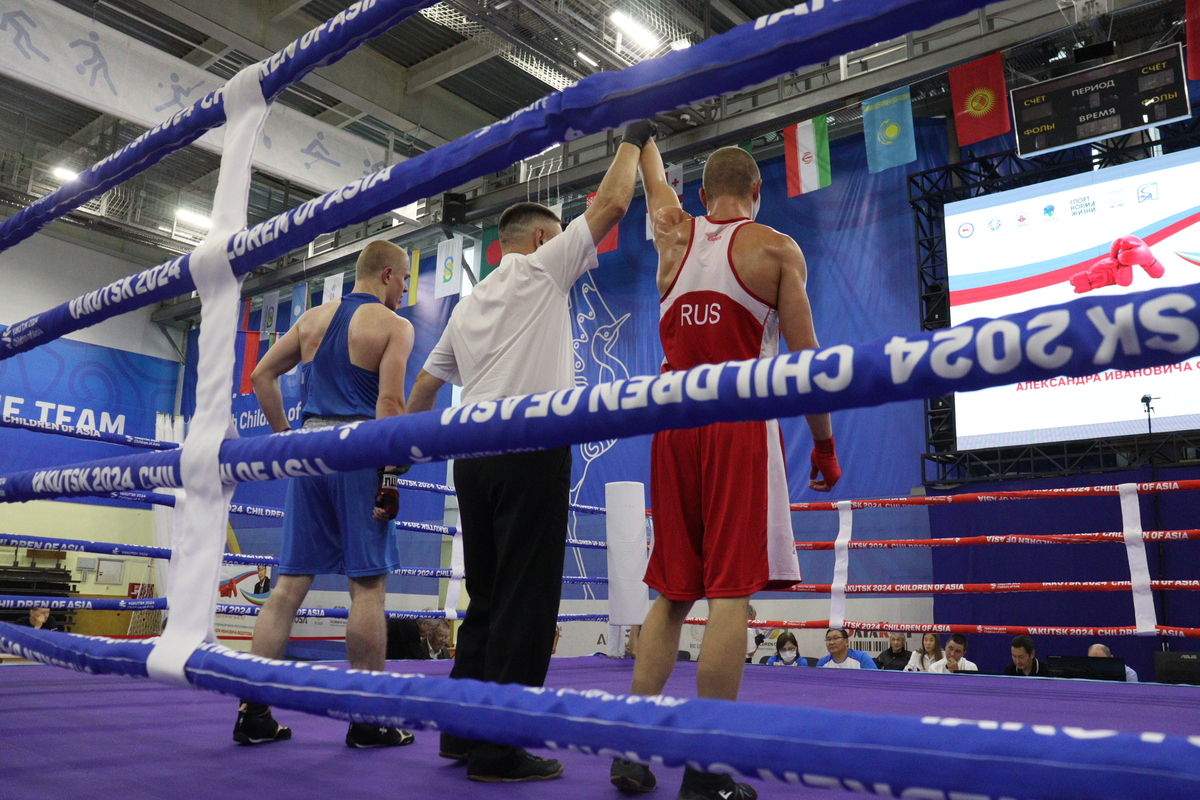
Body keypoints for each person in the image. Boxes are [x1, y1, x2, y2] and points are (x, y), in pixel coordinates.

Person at [405, 122, 645, 784]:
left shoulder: (470, 300)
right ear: (543, 239)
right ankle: (499, 747)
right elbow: (615, 203)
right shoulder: (544, 269)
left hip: (471, 460)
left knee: (485, 597)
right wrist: (636, 133)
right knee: (525, 602)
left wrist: (393, 456)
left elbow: (425, 386)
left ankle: (462, 732)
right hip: (531, 448)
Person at [610, 137, 842, 800]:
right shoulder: (776, 250)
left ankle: (630, 748)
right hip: (738, 423)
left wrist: (642, 137)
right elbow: (809, 364)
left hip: (672, 422)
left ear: (703, 196)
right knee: (730, 593)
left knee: (672, 593)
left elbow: (653, 178)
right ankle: (707, 770)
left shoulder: (672, 235)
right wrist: (823, 447)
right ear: (759, 192)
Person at [233, 240, 415, 749]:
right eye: (403, 279)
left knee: (288, 585)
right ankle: (367, 719)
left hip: (310, 451)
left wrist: (287, 437)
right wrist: (390, 476)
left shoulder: (313, 318)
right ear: (385, 274)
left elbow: (261, 375)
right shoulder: (394, 327)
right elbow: (390, 402)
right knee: (368, 586)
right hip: (360, 451)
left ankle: (253, 713)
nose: (405, 290)